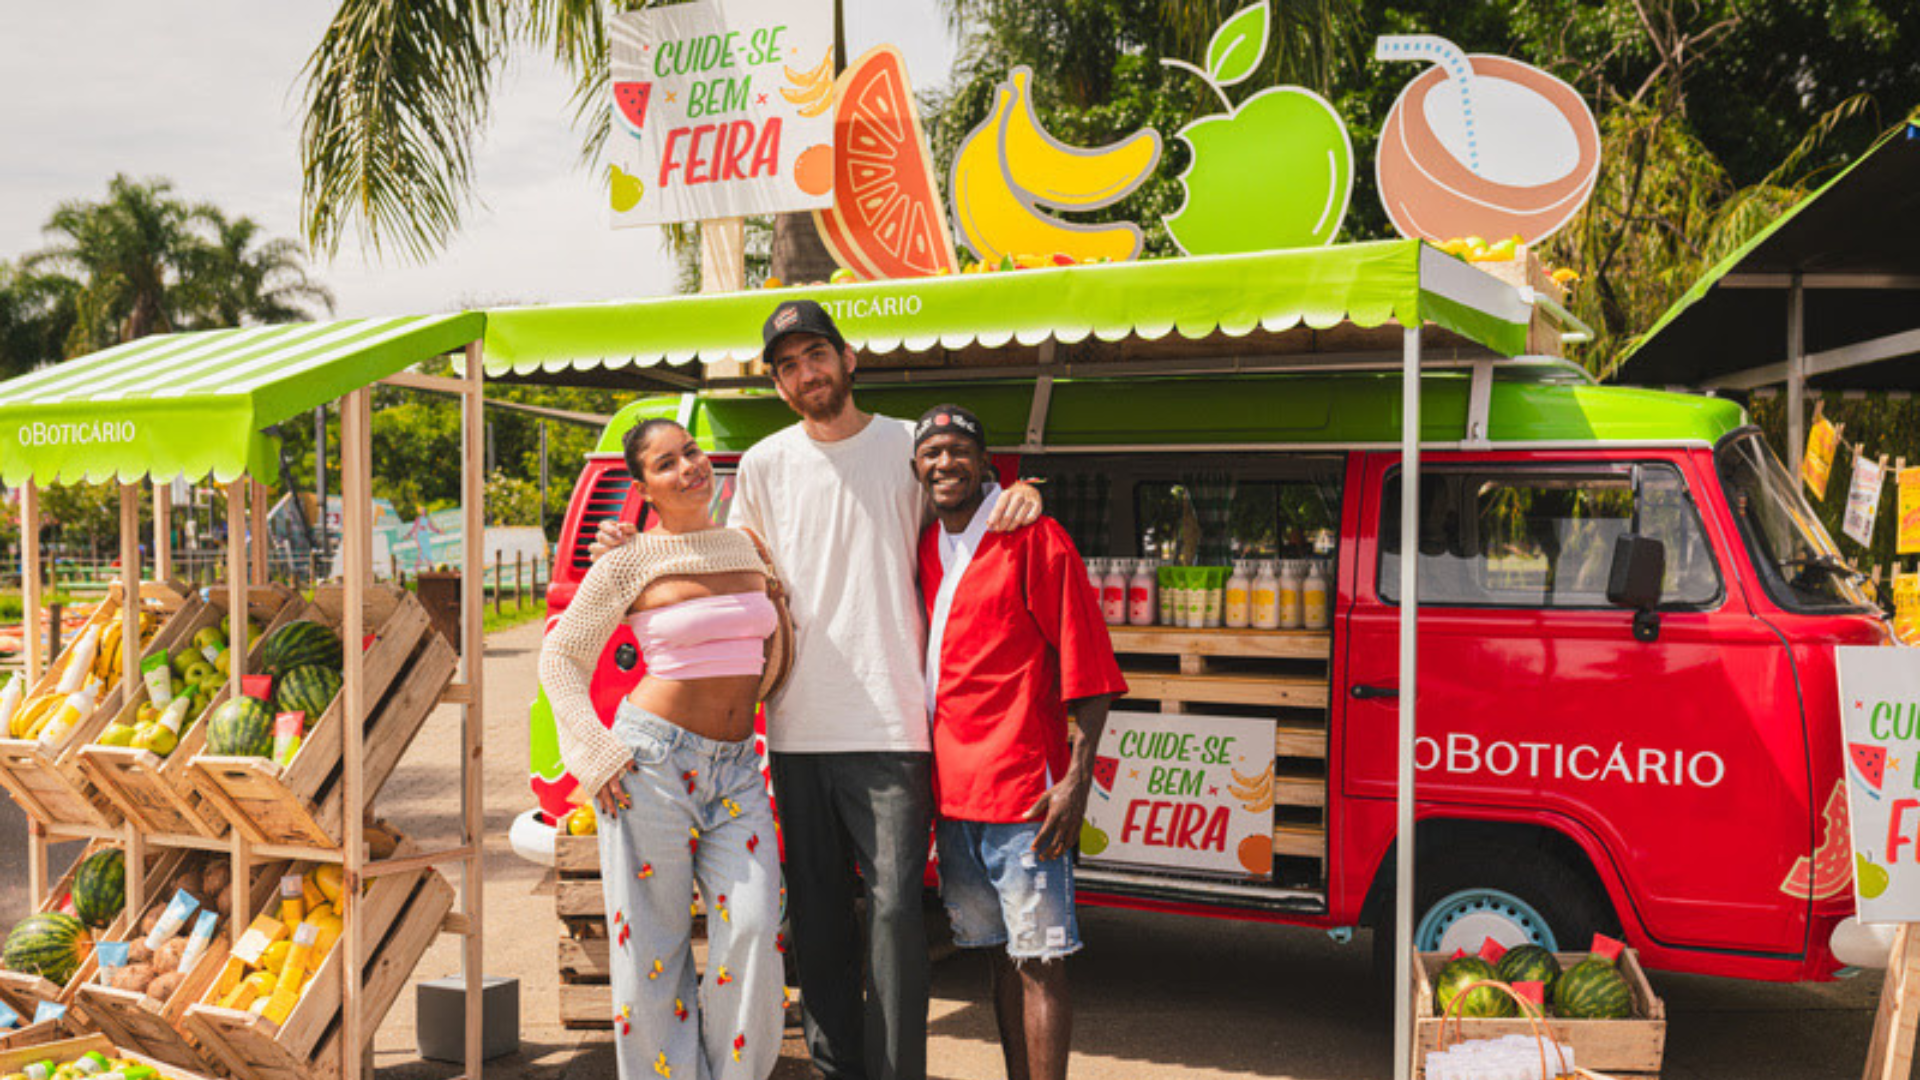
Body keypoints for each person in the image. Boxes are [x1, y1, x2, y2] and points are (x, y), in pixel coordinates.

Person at [598, 299, 1041, 1080]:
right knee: (819, 921)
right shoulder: (767, 463)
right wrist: (633, 543)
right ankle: (838, 1067)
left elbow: (978, 499)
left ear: (848, 360)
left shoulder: (909, 445)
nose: (807, 374)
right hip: (796, 727)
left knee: (900, 916)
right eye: (789, 365)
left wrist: (1024, 492)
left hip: (896, 722)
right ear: (778, 384)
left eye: (817, 356)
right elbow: (723, 558)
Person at [542, 418, 789, 1080]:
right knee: (652, 950)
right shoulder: (627, 560)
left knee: (756, 929)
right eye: (666, 463)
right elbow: (560, 657)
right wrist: (594, 753)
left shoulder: (748, 546)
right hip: (651, 763)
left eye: (692, 452)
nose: (688, 468)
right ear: (645, 486)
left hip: (737, 767)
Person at [910, 404, 1125, 1080]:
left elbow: (1089, 667)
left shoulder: (1036, 537)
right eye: (931, 452)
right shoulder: (924, 543)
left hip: (1024, 792)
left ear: (986, 461)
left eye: (958, 450)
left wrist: (1075, 781)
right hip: (954, 794)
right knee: (999, 954)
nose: (945, 463)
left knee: (1041, 958)